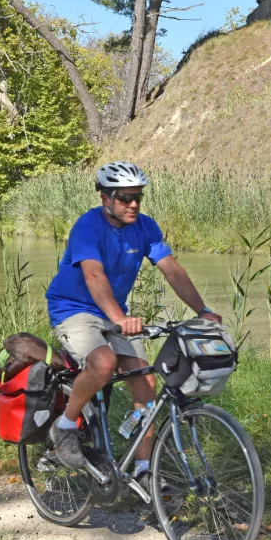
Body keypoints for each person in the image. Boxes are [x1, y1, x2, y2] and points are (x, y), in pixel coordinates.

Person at [46, 160, 222, 488]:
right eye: (125, 198)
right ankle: (66, 426)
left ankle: (143, 470)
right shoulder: (87, 227)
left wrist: (203, 310)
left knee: (146, 385)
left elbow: (172, 270)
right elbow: (93, 275)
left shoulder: (146, 227)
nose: (134, 204)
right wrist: (119, 319)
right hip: (74, 309)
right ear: (106, 199)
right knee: (104, 362)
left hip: (115, 313)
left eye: (138, 197)